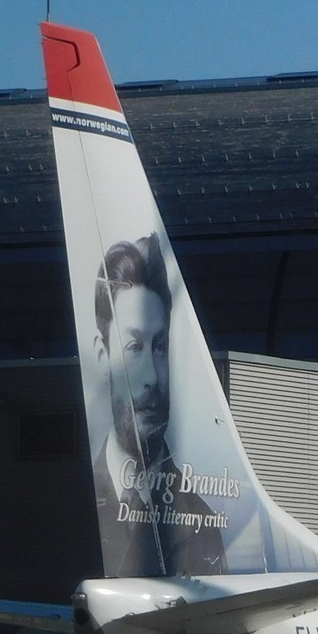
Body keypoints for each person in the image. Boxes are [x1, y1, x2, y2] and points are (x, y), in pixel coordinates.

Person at [89, 234, 227, 577]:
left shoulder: (203, 523)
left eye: (160, 346)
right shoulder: (72, 511)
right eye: (134, 347)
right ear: (103, 357)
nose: (151, 376)